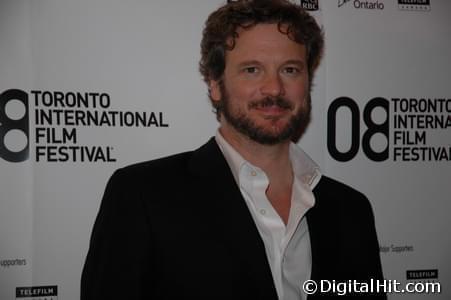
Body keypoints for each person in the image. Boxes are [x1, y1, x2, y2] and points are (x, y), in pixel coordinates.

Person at [81, 0, 386, 299]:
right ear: (215, 84)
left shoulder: (351, 210)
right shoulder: (143, 195)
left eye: (290, 70)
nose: (274, 89)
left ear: (307, 82)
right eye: (252, 70)